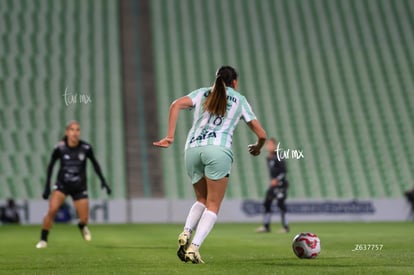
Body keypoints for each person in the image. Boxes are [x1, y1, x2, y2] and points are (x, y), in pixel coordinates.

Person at [154, 66, 266, 263]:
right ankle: (193, 248)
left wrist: (170, 136)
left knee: (201, 200)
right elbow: (262, 134)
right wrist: (258, 147)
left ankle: (186, 232)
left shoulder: (202, 93)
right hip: (217, 150)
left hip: (192, 150)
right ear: (234, 83)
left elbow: (176, 105)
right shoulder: (239, 99)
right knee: (213, 205)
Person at [35, 120, 111, 249]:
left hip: (79, 186)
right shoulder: (60, 148)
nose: (75, 133)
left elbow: (95, 164)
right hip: (62, 185)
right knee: (52, 210)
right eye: (72, 130)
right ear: (67, 132)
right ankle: (43, 239)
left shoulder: (86, 148)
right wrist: (47, 187)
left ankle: (81, 226)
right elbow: (50, 166)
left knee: (84, 219)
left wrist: (103, 181)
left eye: (77, 130)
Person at [256, 138, 289, 233]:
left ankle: (286, 227)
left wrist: (277, 180)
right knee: (267, 203)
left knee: (281, 204)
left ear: (275, 146)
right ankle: (266, 226)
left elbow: (284, 172)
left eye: (271, 145)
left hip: (281, 185)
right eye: (268, 145)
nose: (269, 146)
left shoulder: (279, 156)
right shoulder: (269, 158)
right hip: (273, 186)